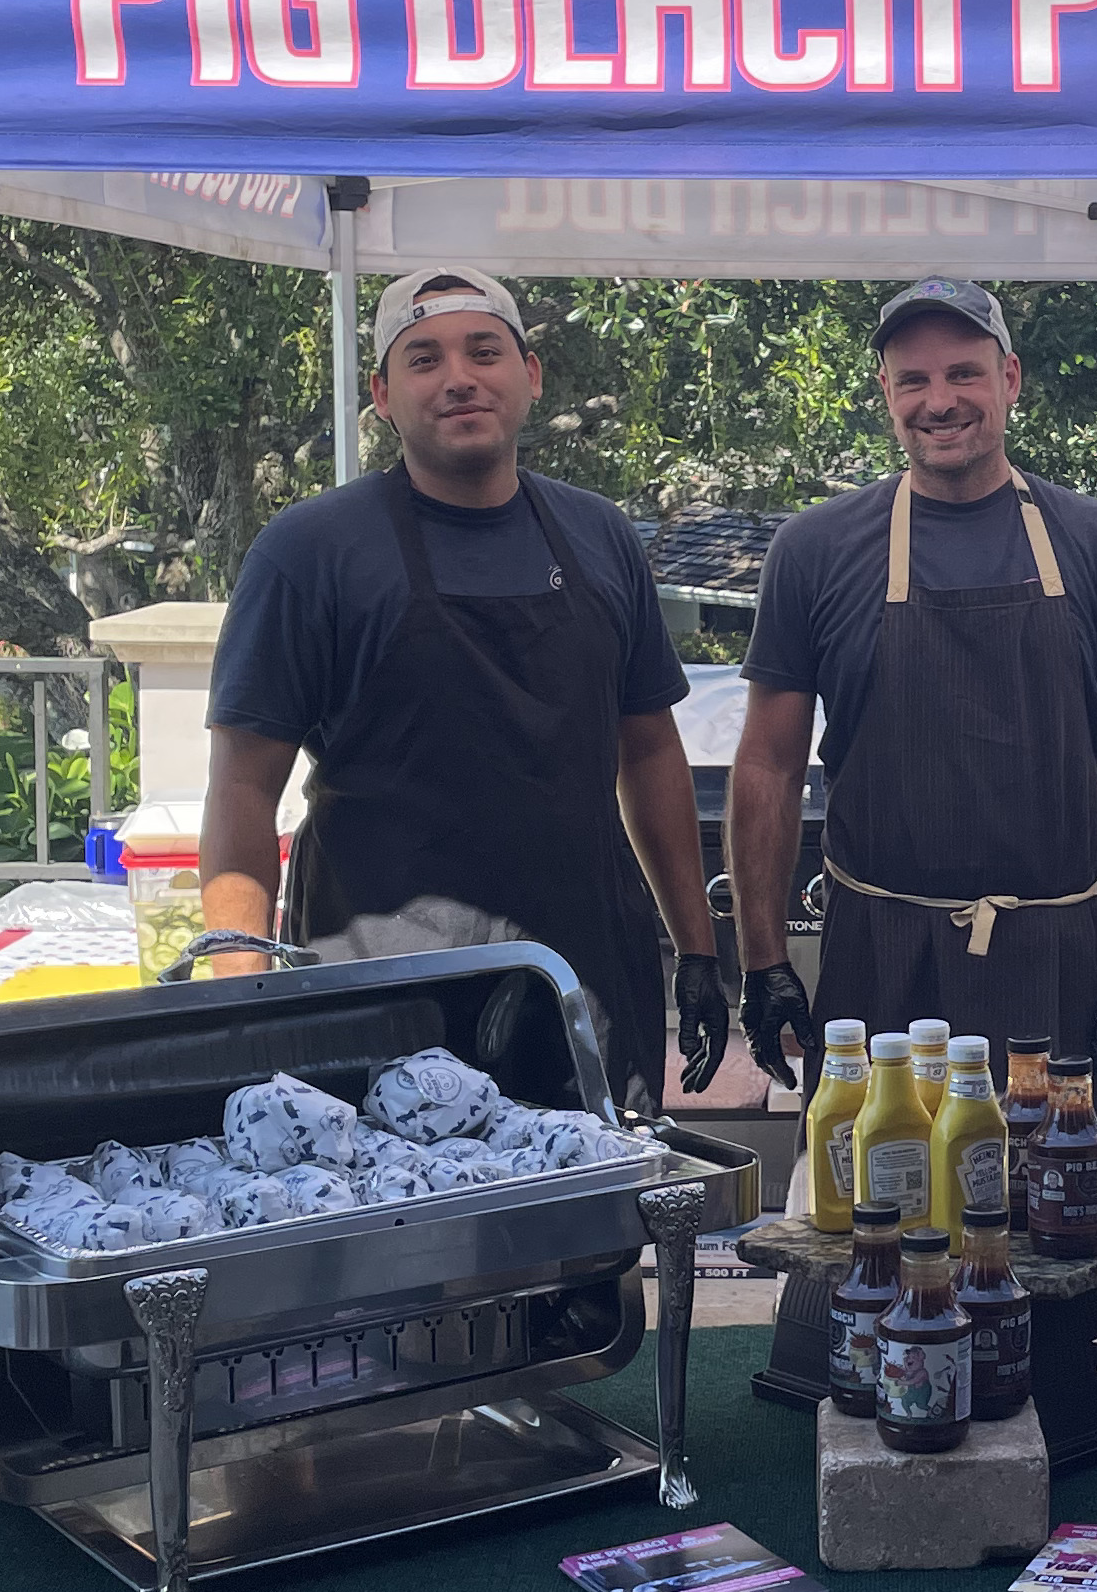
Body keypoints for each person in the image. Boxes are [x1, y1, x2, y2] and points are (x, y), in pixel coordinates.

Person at [198, 267, 729, 1105]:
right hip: (377, 990)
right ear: (381, 393)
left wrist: (697, 950)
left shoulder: (601, 537)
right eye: (423, 359)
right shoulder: (309, 553)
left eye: (485, 350)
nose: (459, 377)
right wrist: (242, 995)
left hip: (581, 981)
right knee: (404, 1229)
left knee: (591, 1224)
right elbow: (240, 789)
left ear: (531, 375)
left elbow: (651, 752)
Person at [728, 279, 1097, 1160]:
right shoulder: (815, 550)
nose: (939, 401)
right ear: (885, 393)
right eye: (913, 380)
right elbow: (767, 769)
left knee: (1075, 1240)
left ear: (1010, 379)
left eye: (964, 374)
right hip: (879, 962)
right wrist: (762, 961)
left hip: (1063, 962)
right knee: (874, 1243)